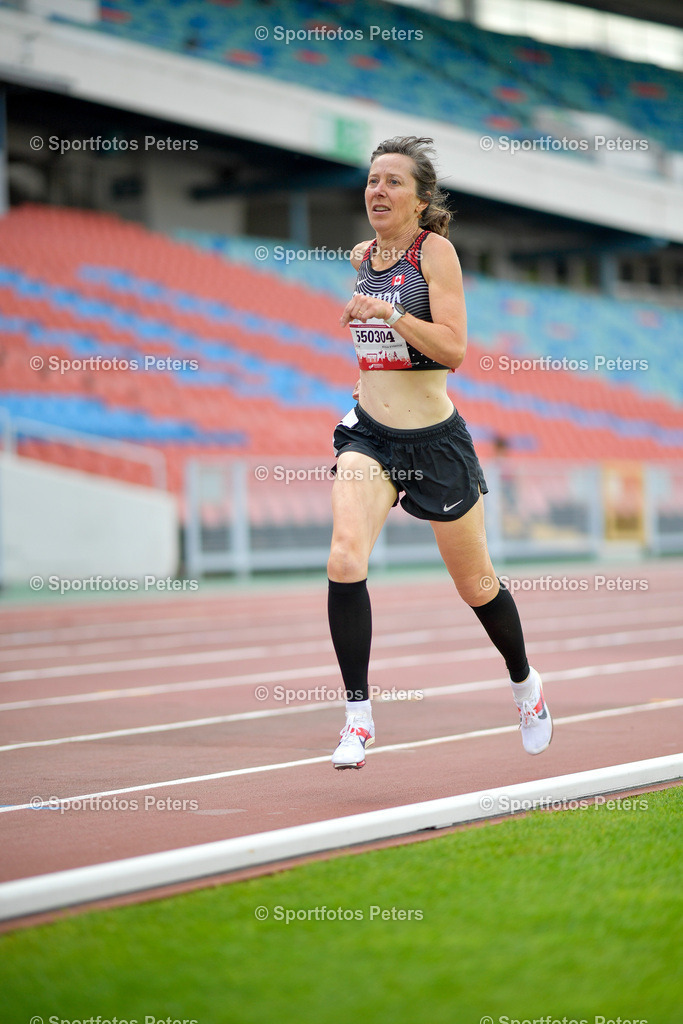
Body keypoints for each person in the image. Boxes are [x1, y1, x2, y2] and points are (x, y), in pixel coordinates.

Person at [327, 135, 552, 770]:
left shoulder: (437, 252)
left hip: (436, 443)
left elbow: (454, 350)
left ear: (421, 200)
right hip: (368, 435)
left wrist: (389, 316)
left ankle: (525, 684)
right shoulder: (364, 255)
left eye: (393, 182)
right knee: (345, 556)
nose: (378, 190)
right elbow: (368, 290)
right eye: (372, 180)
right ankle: (358, 717)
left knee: (476, 584)